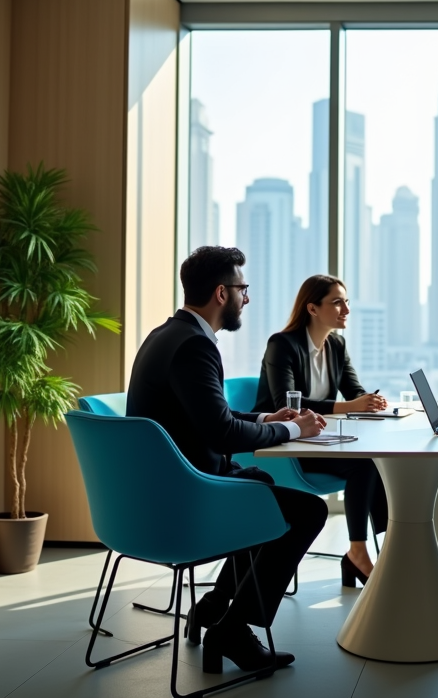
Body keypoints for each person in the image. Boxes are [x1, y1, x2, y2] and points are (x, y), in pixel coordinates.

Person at [127, 246, 329, 676]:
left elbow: (208, 415)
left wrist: (265, 418)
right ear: (222, 293)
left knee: (260, 486)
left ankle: (215, 607)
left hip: (158, 488)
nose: (247, 298)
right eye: (243, 289)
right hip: (186, 496)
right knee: (308, 510)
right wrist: (294, 429)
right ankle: (232, 629)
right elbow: (221, 434)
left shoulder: (169, 334)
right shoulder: (195, 346)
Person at [253, 274, 388, 587]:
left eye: (347, 301)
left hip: (319, 440)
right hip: (284, 446)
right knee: (364, 464)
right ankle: (357, 552)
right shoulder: (282, 345)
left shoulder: (336, 345)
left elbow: (353, 391)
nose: (346, 309)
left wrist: (370, 401)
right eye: (337, 302)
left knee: (379, 461)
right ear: (312, 308)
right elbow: (287, 406)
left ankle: (387, 545)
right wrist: (351, 406)